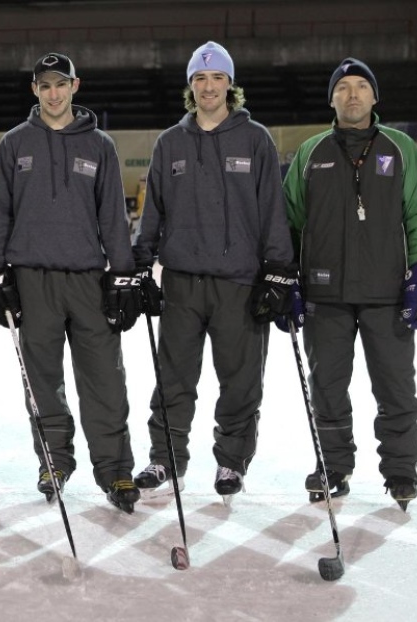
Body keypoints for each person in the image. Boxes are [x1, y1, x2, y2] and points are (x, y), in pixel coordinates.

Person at [131, 41, 295, 504]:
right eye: (200, 79)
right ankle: (166, 457)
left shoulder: (256, 139)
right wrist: (141, 265)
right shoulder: (170, 144)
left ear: (230, 84)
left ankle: (231, 461)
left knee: (240, 381)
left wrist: (279, 270)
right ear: (191, 86)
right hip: (182, 282)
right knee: (173, 377)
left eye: (217, 78)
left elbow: (272, 212)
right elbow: (153, 215)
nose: (208, 87)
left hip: (239, 283)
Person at [0, 52, 142, 513]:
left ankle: (116, 470)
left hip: (89, 279)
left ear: (76, 86)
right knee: (42, 379)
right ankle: (54, 460)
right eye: (44, 85)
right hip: (32, 280)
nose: (53, 93)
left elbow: (113, 216)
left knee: (105, 381)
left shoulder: (101, 146)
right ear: (35, 90)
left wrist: (124, 275)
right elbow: (0, 214)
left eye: (61, 84)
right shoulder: (14, 144)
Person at [281, 58, 417, 511]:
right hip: (324, 295)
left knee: (395, 388)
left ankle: (401, 471)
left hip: (387, 293)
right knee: (327, 387)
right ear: (331, 98)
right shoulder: (311, 153)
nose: (352, 95)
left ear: (375, 97)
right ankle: (333, 466)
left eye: (361, 87)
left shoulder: (401, 148)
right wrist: (285, 274)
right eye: (343, 88)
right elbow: (288, 221)